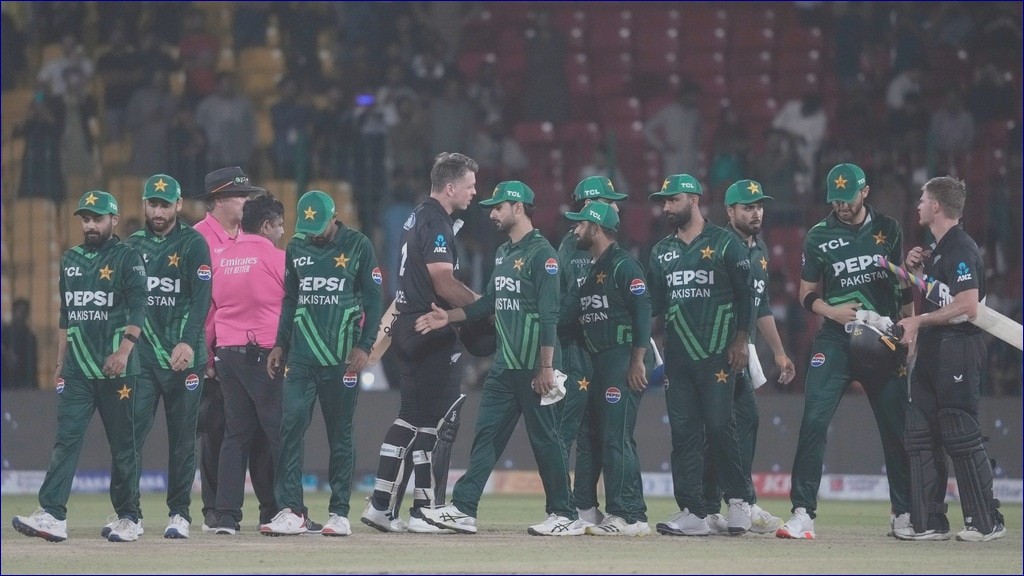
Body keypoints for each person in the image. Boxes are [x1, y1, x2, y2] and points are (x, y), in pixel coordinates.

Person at [416, 181, 583, 536]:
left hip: (535, 368)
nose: (492, 213)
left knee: (546, 441)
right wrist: (450, 316)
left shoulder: (543, 255)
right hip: (505, 365)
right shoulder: (504, 252)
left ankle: (564, 514)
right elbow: (490, 302)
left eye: (498, 207)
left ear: (518, 208)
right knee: (486, 437)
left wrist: (546, 367)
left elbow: (550, 316)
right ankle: (464, 509)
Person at [777, 163, 912, 540]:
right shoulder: (818, 235)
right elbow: (806, 293)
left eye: (847, 198)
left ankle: (903, 512)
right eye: (834, 199)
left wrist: (909, 329)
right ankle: (803, 513)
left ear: (865, 192)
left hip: (882, 338)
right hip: (836, 337)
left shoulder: (889, 229)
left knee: (897, 428)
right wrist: (831, 311)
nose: (841, 205)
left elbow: (902, 285)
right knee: (813, 421)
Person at [12, 190, 147, 543]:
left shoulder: (128, 257)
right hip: (77, 370)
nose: (90, 225)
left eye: (97, 219)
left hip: (117, 370)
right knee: (65, 441)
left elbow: (139, 308)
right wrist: (60, 361)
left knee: (123, 446)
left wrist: (124, 352)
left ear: (113, 220)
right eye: (85, 219)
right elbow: (66, 315)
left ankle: (129, 517)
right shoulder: (70, 258)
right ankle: (53, 515)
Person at [361, 152, 480, 533]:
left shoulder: (417, 217)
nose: (474, 192)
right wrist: (484, 307)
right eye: (469, 185)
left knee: (414, 418)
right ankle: (423, 510)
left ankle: (384, 505)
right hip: (430, 327)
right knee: (431, 424)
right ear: (450, 187)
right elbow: (443, 282)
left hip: (407, 325)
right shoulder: (436, 222)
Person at [260, 190, 383, 537]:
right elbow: (290, 299)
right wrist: (280, 343)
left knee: (340, 434)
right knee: (289, 430)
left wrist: (365, 346)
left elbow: (374, 300)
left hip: (341, 359)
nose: (313, 235)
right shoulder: (297, 247)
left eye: (318, 228)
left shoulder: (358, 246)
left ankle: (339, 513)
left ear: (333, 217)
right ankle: (292, 512)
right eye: (307, 228)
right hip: (300, 358)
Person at [893, 176, 1006, 542]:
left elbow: (968, 306)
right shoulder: (938, 250)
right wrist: (918, 274)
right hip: (932, 348)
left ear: (937, 206)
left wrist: (918, 321)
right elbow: (939, 298)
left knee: (959, 430)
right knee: (921, 433)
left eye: (923, 199)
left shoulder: (960, 248)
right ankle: (929, 521)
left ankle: (986, 522)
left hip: (958, 347)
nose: (918, 205)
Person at [646, 174, 754, 537]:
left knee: (721, 426)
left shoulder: (725, 243)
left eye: (672, 200)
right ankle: (692, 511)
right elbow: (654, 305)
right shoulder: (660, 252)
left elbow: (746, 296)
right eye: (664, 201)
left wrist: (741, 340)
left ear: (693, 199)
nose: (666, 207)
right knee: (684, 435)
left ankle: (738, 500)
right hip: (678, 359)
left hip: (718, 354)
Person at [701, 179, 796, 534]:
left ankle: (724, 504)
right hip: (718, 350)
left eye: (759, 206)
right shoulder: (719, 246)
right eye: (747, 207)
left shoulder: (760, 250)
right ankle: (730, 502)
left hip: (743, 352)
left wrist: (780, 352)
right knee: (726, 425)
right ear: (730, 211)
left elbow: (761, 304)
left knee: (740, 423)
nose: (756, 213)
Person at [122, 174, 211, 539]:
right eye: (153, 204)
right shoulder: (130, 247)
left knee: (183, 440)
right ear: (144, 205)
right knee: (129, 436)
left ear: (179, 205)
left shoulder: (194, 244)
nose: (158, 212)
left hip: (184, 360)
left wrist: (188, 342)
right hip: (143, 359)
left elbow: (202, 298)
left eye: (165, 205)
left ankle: (179, 514)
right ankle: (129, 515)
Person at [194, 166, 281, 532]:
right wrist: (204, 351)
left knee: (251, 434)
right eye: (239, 196)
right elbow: (198, 303)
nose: (246, 201)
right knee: (216, 429)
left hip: (235, 346)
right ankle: (215, 509)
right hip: (217, 348)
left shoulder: (244, 238)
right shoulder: (197, 239)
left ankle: (266, 508)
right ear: (216, 200)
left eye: (247, 196)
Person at [561, 201, 651, 536]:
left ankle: (625, 515)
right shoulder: (592, 269)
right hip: (599, 361)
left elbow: (643, 310)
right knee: (605, 437)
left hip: (621, 356)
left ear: (596, 228)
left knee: (616, 436)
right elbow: (569, 317)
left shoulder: (624, 265)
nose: (575, 230)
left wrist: (637, 360)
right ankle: (632, 514)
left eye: (580, 224)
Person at [556, 176, 628, 526]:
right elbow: (561, 303)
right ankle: (560, 506)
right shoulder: (572, 246)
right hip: (577, 350)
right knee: (569, 429)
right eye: (609, 201)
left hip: (602, 350)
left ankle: (584, 505)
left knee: (594, 432)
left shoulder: (608, 245)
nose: (616, 207)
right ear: (590, 205)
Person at [2, 298, 39, 389]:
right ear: (13, 312)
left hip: (24, 380)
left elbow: (33, 362)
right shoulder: (5, 333)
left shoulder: (30, 336)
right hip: (6, 379)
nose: (21, 314)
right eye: (19, 311)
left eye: (24, 311)